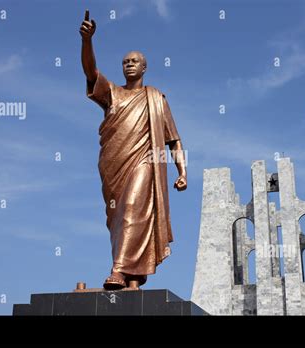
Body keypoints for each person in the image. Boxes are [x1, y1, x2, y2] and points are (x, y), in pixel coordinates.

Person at [79, 10, 188, 290]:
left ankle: (117, 270)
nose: (129, 65)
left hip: (145, 161)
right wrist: (87, 41)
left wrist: (182, 172)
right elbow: (91, 72)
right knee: (118, 219)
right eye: (125, 61)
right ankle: (134, 274)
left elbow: (173, 140)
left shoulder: (156, 99)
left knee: (132, 208)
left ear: (144, 68)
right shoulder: (113, 93)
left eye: (134, 61)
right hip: (113, 166)